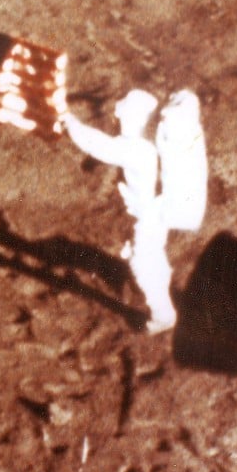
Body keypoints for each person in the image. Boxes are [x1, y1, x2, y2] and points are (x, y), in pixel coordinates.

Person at [61, 88, 207, 333]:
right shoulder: (145, 143)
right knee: (150, 253)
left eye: (123, 111)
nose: (117, 114)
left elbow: (96, 145)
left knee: (142, 262)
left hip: (150, 216)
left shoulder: (136, 150)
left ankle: (163, 315)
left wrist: (68, 119)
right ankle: (162, 276)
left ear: (133, 117)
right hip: (157, 211)